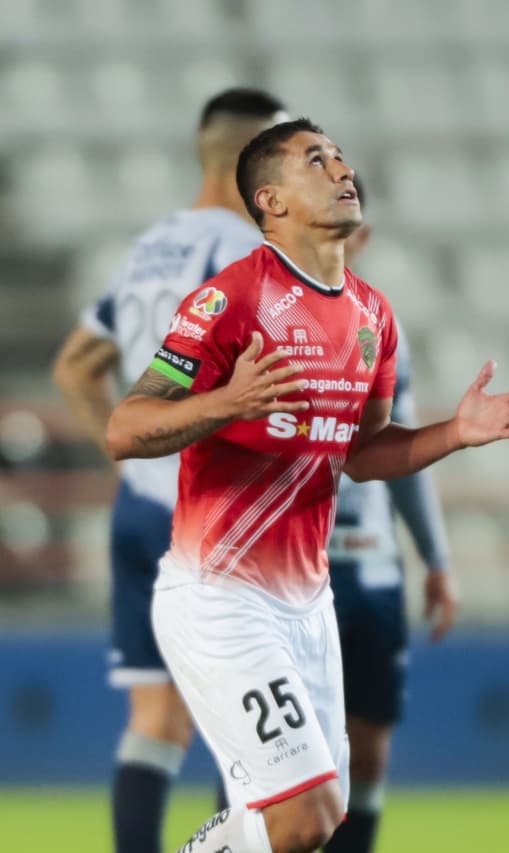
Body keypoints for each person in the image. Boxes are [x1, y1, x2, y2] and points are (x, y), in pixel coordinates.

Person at [105, 117, 509, 853]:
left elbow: (363, 453)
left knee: (312, 821)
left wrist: (453, 432)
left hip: (308, 605)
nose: (342, 170)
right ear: (271, 200)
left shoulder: (373, 314)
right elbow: (126, 427)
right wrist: (227, 403)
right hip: (221, 593)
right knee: (302, 816)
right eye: (317, 160)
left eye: (340, 157)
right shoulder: (230, 300)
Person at [51, 87, 288, 853]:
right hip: (208, 517)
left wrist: (130, 453)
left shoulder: (150, 247)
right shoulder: (246, 258)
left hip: (139, 509)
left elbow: (76, 366)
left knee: (155, 719)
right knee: (244, 724)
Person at [211, 177, 459, 853]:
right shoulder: (248, 317)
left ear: (362, 234)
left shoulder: (379, 328)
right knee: (263, 756)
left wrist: (436, 558)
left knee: (366, 749)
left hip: (368, 564)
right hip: (276, 571)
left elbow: (400, 451)